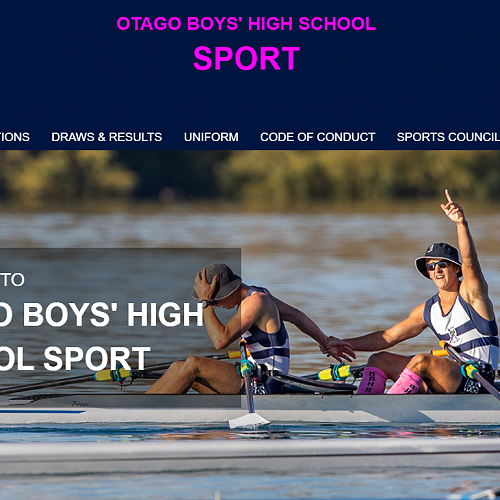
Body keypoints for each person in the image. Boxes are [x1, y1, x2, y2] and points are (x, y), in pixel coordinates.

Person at [322, 189, 498, 395]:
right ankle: (366, 404)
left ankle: (388, 406)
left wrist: (461, 224)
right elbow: (387, 337)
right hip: (447, 380)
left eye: (442, 264)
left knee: (422, 361)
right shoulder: (427, 310)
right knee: (379, 360)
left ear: (456, 269)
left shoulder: (473, 296)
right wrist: (345, 344)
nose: (437, 270)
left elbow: (470, 262)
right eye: (431, 266)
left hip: (477, 383)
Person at [147, 263, 355, 394]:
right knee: (178, 367)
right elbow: (296, 315)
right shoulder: (258, 294)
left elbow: (220, 340)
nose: (216, 306)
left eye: (215, 301)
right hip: (251, 378)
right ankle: (140, 409)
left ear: (227, 292)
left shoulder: (255, 302)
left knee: (194, 364)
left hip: (267, 385)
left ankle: (146, 413)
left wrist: (205, 303)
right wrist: (325, 341)